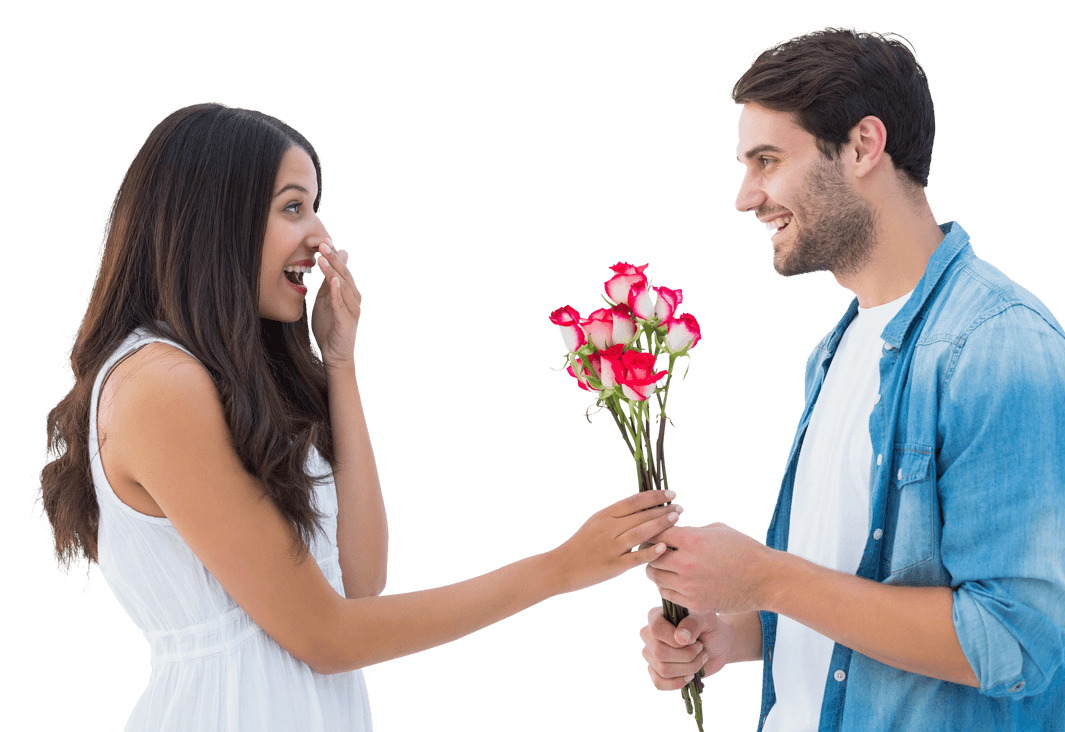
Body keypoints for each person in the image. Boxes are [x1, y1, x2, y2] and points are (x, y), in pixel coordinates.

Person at [36, 102, 683, 732]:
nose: (320, 236)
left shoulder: (230, 381)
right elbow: (325, 635)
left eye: (315, 207)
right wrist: (559, 569)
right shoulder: (158, 385)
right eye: (293, 206)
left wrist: (339, 366)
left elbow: (359, 583)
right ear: (214, 219)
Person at [638, 27, 1065, 731]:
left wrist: (766, 577)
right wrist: (737, 630)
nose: (745, 196)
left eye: (767, 160)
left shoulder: (1000, 348)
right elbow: (856, 595)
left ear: (864, 146)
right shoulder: (835, 353)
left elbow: (1014, 643)